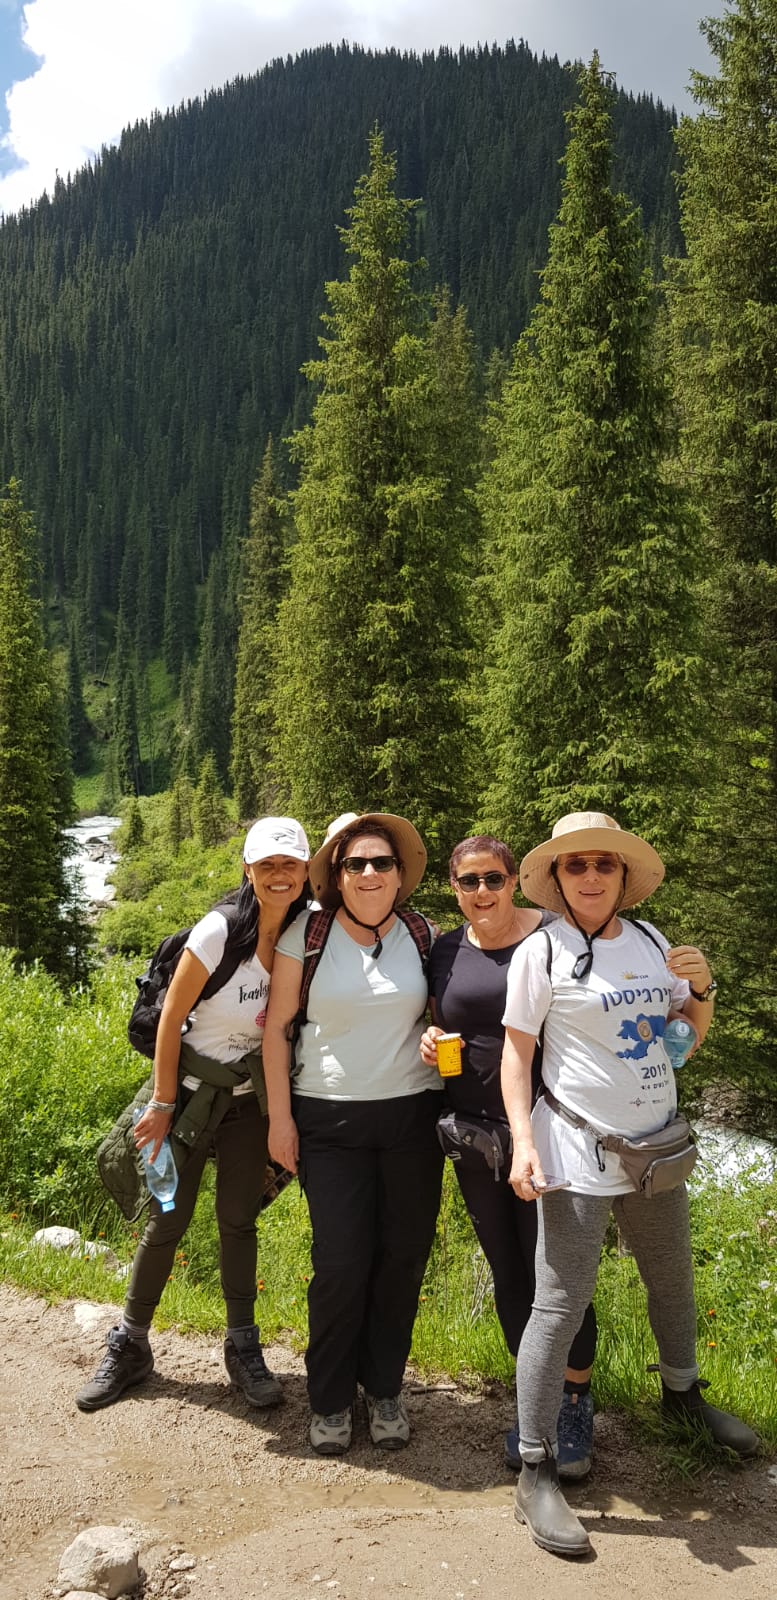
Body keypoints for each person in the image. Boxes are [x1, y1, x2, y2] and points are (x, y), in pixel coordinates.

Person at [500, 811, 760, 1558]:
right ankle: (535, 1466)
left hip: (655, 1146)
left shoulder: (650, 942)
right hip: (576, 1149)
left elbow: (684, 1040)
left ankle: (682, 1397)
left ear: (622, 876)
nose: (590, 876)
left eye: (603, 864)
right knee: (559, 1304)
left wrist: (703, 988)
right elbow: (516, 1056)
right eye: (575, 865)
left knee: (670, 1279)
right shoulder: (541, 951)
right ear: (557, 878)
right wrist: (523, 1143)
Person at [76, 816, 311, 1413]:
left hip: (248, 1102)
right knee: (166, 1220)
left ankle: (243, 1346)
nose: (279, 875)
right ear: (248, 871)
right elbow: (169, 1020)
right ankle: (130, 1344)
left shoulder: (305, 932)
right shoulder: (219, 931)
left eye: (289, 864)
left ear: (306, 870)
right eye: (267, 865)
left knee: (238, 1221)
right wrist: (159, 1104)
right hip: (183, 1101)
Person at [263, 811, 443, 1456]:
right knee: (340, 1264)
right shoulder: (307, 937)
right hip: (329, 1119)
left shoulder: (423, 935)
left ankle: (385, 1387)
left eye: (382, 863)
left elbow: (445, 1011)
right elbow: (276, 1029)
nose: (370, 873)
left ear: (399, 874)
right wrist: (280, 1120)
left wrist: (436, 1035)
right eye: (355, 863)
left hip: (412, 1118)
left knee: (402, 1258)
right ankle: (331, 1397)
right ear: (336, 876)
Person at [420, 835, 597, 1478]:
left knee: (559, 1276)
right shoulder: (445, 950)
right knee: (509, 1271)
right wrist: (429, 1038)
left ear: (514, 880)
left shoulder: (551, 935)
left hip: (549, 1130)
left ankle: (574, 1402)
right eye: (469, 881)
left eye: (493, 878)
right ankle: (533, 1403)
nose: (482, 892)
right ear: (454, 888)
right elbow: (435, 1017)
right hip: (476, 1137)